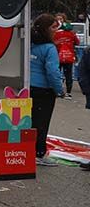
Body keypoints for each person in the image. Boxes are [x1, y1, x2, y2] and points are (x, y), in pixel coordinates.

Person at [30, 13, 64, 167]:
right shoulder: (49, 48)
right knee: (41, 122)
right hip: (44, 90)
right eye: (53, 27)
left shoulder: (29, 44)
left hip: (27, 87)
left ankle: (27, 150)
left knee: (29, 121)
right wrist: (59, 90)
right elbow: (52, 71)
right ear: (46, 29)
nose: (56, 30)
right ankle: (39, 153)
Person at [53, 19, 78, 99]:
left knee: (57, 74)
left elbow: (52, 42)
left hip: (58, 57)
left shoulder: (56, 34)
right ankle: (68, 92)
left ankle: (58, 91)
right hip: (69, 57)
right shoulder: (72, 34)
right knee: (68, 75)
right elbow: (77, 42)